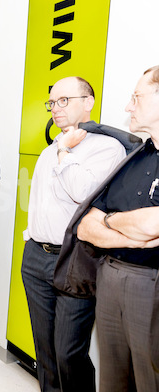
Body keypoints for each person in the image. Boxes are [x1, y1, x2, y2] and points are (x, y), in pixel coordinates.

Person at [21, 76, 126, 392]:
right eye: (52, 102)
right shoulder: (52, 147)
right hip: (36, 257)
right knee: (46, 351)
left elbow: (84, 191)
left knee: (69, 352)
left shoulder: (107, 148)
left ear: (88, 101)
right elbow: (41, 200)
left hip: (75, 261)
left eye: (64, 100)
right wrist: (31, 234)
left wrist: (65, 153)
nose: (55, 108)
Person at [77, 66, 159, 391]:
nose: (128, 107)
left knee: (150, 378)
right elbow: (86, 226)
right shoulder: (135, 155)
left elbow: (154, 224)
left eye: (136, 97)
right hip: (109, 276)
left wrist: (109, 221)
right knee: (111, 378)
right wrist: (123, 226)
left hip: (151, 285)